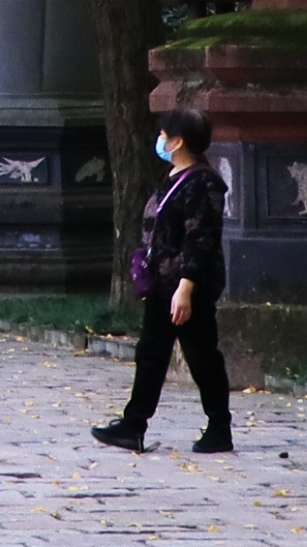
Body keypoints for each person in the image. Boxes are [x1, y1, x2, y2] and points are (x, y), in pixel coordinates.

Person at [94, 108, 232, 455]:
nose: (160, 140)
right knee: (151, 354)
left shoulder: (204, 183)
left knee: (202, 356)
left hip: (187, 286)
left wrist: (186, 287)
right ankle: (133, 424)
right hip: (162, 284)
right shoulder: (173, 177)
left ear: (178, 141)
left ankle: (219, 427)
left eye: (165, 135)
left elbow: (200, 239)